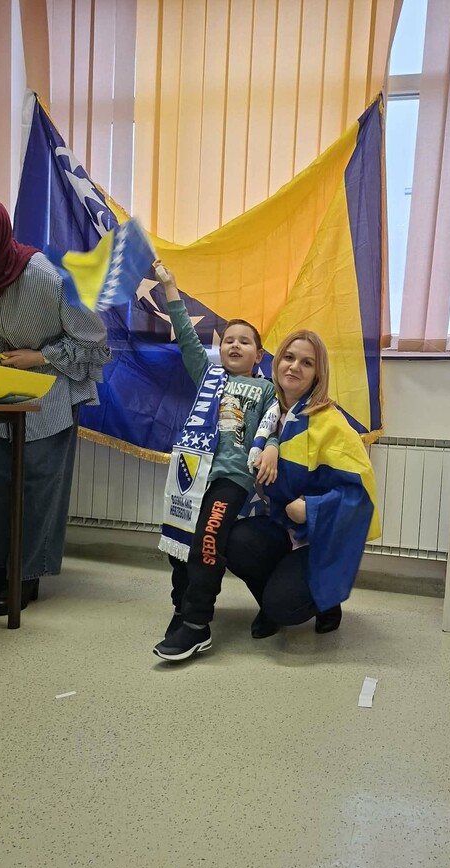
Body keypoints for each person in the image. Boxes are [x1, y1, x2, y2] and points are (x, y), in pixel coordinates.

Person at [0, 191, 111, 616]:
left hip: (51, 392)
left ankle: (26, 575)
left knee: (39, 486)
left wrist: (41, 357)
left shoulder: (46, 277)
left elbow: (96, 344)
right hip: (0, 394)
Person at [152, 263, 279, 663]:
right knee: (179, 543)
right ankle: (181, 609)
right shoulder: (209, 377)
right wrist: (171, 289)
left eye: (245, 341)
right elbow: (187, 338)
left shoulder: (266, 388)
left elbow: (276, 427)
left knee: (208, 538)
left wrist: (273, 445)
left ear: (259, 354)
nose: (235, 346)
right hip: (193, 473)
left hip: (231, 478)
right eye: (228, 341)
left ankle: (197, 623)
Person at [225, 330, 380, 638]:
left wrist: (311, 508)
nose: (294, 367)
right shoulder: (264, 411)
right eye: (289, 357)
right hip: (279, 525)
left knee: (285, 606)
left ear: (317, 374)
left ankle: (326, 600)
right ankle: (270, 601)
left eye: (307, 363)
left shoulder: (331, 423)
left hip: (318, 536)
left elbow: (359, 494)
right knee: (235, 541)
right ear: (277, 362)